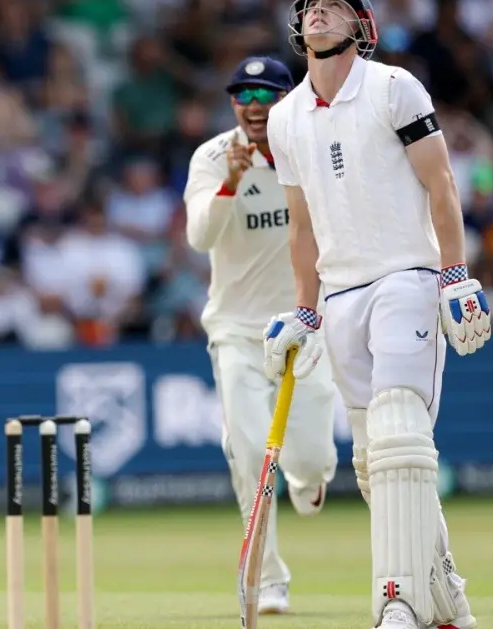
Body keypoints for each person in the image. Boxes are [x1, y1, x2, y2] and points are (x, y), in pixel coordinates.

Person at [260, 0, 491, 629]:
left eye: (333, 5)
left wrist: (455, 275)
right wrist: (305, 308)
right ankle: (448, 598)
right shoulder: (284, 117)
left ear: (361, 26)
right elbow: (301, 225)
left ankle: (398, 602)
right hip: (340, 293)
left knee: (399, 433)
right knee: (376, 464)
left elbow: (441, 183)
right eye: (310, 6)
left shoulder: (394, 87)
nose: (318, 13)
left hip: (406, 276)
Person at [183, 55, 341, 616]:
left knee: (311, 460)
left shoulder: (310, 147)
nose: (253, 106)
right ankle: (269, 579)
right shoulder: (211, 158)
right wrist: (231, 182)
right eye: (242, 96)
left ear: (285, 98)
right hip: (236, 330)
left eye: (265, 95)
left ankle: (307, 476)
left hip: (303, 323)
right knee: (249, 453)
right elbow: (199, 236)